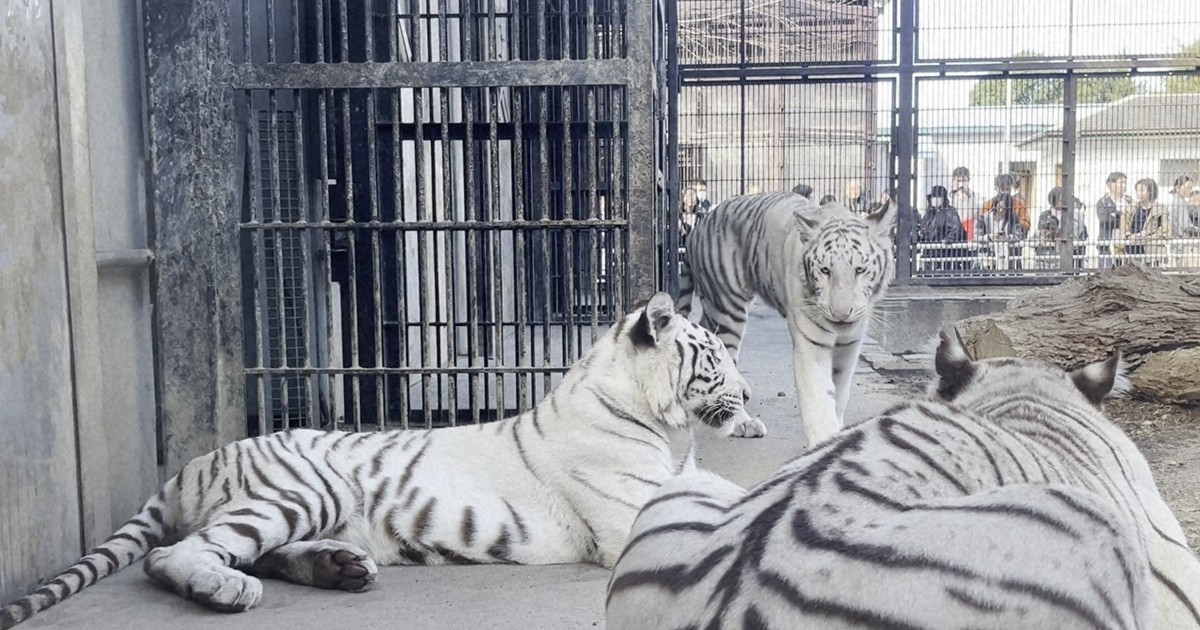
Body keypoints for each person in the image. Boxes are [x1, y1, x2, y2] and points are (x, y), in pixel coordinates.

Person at [917, 185, 968, 271]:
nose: (935, 199)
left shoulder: (950, 212)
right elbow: (924, 228)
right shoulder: (929, 214)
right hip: (930, 254)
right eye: (933, 197)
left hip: (945, 255)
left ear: (943, 198)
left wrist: (947, 239)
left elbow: (955, 229)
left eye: (938, 197)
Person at [1122, 178, 1171, 266]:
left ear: (1150, 191)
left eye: (1142, 190)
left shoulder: (1161, 209)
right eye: (1137, 190)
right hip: (1133, 247)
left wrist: (1149, 237)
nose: (1139, 193)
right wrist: (1129, 235)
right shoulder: (1130, 208)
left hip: (1152, 250)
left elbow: (1165, 230)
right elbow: (1124, 225)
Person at [1037, 186, 1088, 270]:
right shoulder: (1046, 215)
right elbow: (1044, 231)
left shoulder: (1073, 214)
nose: (1064, 201)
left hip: (1073, 251)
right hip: (1052, 253)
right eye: (1061, 200)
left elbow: (1082, 233)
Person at [975, 192, 1026, 269]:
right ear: (995, 206)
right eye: (999, 207)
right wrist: (989, 237)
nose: (1001, 210)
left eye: (1004, 208)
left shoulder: (1013, 218)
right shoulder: (984, 219)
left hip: (1008, 257)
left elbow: (1019, 235)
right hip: (989, 256)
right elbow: (976, 236)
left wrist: (1007, 237)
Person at [1094, 171, 1132, 267]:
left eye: (1125, 183)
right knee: (1106, 271)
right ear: (1111, 184)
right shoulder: (1102, 202)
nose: (1124, 186)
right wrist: (1121, 216)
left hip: (1125, 243)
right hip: (1107, 242)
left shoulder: (1129, 201)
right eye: (1121, 183)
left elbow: (1132, 220)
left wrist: (1115, 215)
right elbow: (1104, 220)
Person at [949, 166, 981, 237]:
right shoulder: (948, 197)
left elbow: (976, 215)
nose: (961, 184)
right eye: (958, 181)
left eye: (964, 181)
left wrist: (969, 196)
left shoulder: (974, 196)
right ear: (953, 180)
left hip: (968, 230)